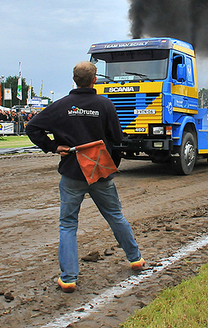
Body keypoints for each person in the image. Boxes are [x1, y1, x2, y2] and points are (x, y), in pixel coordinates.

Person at [26, 61, 144, 293]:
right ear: (94, 80)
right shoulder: (105, 104)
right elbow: (117, 138)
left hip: (71, 172)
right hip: (99, 172)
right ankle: (136, 258)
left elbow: (32, 128)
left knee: (68, 225)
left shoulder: (61, 105)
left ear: (74, 80)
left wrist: (52, 146)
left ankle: (68, 278)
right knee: (115, 216)